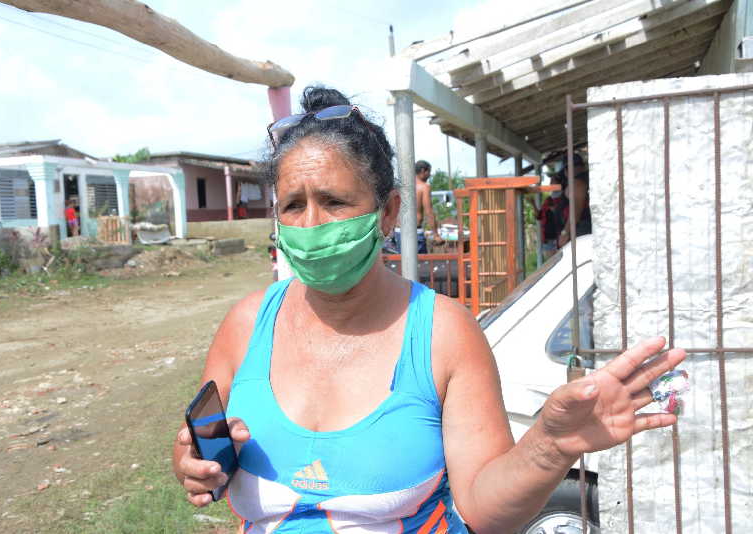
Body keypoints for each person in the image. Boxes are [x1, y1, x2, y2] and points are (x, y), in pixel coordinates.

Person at [172, 86, 685, 533]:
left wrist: (551, 445)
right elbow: (205, 455)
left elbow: (485, 512)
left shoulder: (443, 332)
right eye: (292, 205)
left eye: (334, 201)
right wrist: (195, 466)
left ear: (388, 211)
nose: (312, 225)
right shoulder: (245, 325)